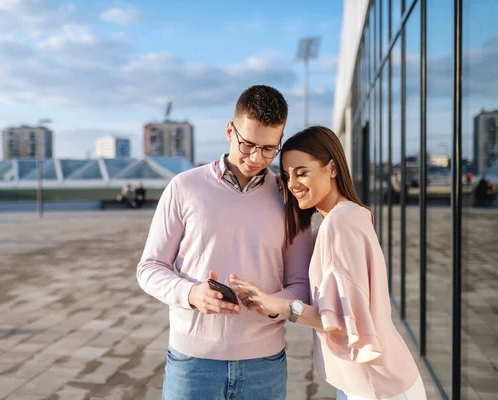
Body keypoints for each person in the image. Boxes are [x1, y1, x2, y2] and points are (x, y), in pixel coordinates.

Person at [137, 85, 313, 400]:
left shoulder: (289, 198)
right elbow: (150, 268)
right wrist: (190, 293)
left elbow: (301, 283)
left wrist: (270, 303)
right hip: (191, 364)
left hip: (264, 365)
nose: (257, 158)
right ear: (230, 131)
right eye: (248, 144)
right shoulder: (184, 187)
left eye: (270, 148)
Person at [232, 126, 426, 400]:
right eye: (287, 176)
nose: (292, 184)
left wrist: (278, 305)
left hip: (377, 386)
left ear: (332, 168)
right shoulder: (345, 218)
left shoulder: (340, 222)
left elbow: (342, 321)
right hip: (369, 380)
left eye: (302, 172)